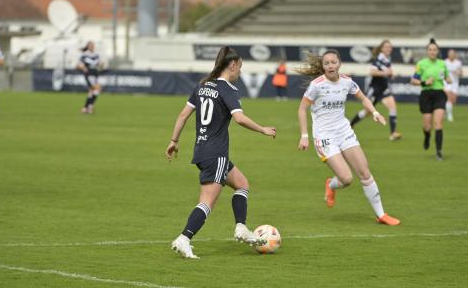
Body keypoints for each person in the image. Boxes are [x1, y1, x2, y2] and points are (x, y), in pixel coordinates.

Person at [166, 46, 277, 259]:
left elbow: (182, 116)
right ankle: (184, 238)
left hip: (202, 150)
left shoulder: (202, 86)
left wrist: (174, 141)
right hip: (215, 153)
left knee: (242, 184)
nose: (240, 73)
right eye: (240, 68)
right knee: (207, 202)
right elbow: (240, 118)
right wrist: (263, 129)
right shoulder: (228, 89)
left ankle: (241, 228)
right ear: (232, 65)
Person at [297, 49, 400, 226]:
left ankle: (381, 215)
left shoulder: (347, 82)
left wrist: (374, 112)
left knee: (365, 173)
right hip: (324, 136)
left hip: (344, 131)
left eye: (333, 62)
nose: (330, 66)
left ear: (339, 63)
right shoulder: (317, 85)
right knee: (346, 179)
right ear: (323, 66)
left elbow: (363, 98)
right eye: (326, 63)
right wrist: (304, 135)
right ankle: (331, 185)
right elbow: (302, 109)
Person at [350, 40, 402, 141]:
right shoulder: (378, 59)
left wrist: (391, 75)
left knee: (393, 107)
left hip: (384, 88)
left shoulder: (387, 59)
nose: (389, 49)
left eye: (390, 47)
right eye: (386, 47)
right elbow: (372, 72)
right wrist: (386, 73)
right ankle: (351, 124)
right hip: (375, 89)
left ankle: (393, 133)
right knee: (367, 112)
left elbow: (387, 73)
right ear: (382, 48)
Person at [411, 38, 451, 161]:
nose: (432, 52)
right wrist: (425, 82)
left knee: (438, 123)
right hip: (426, 95)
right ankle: (427, 136)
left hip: (439, 94)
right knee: (427, 126)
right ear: (427, 52)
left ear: (437, 51)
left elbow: (447, 77)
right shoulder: (421, 64)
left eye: (434, 50)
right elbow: (413, 81)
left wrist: (448, 80)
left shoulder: (442, 63)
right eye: (430, 50)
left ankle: (439, 152)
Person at [77, 41, 102, 114]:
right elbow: (80, 64)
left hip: (95, 74)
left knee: (92, 91)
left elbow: (99, 64)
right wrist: (83, 68)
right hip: (89, 74)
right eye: (91, 45)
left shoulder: (96, 54)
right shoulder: (85, 54)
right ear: (88, 46)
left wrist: (101, 65)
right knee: (97, 89)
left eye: (93, 45)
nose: (92, 47)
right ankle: (89, 106)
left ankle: (86, 108)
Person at [444, 49, 462, 122]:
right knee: (449, 98)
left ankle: (445, 110)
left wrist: (458, 73)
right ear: (448, 54)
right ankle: (449, 115)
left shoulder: (458, 63)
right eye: (450, 53)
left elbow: (461, 73)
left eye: (453, 54)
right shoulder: (445, 62)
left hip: (455, 83)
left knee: (453, 100)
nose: (451, 55)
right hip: (447, 83)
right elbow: (442, 73)